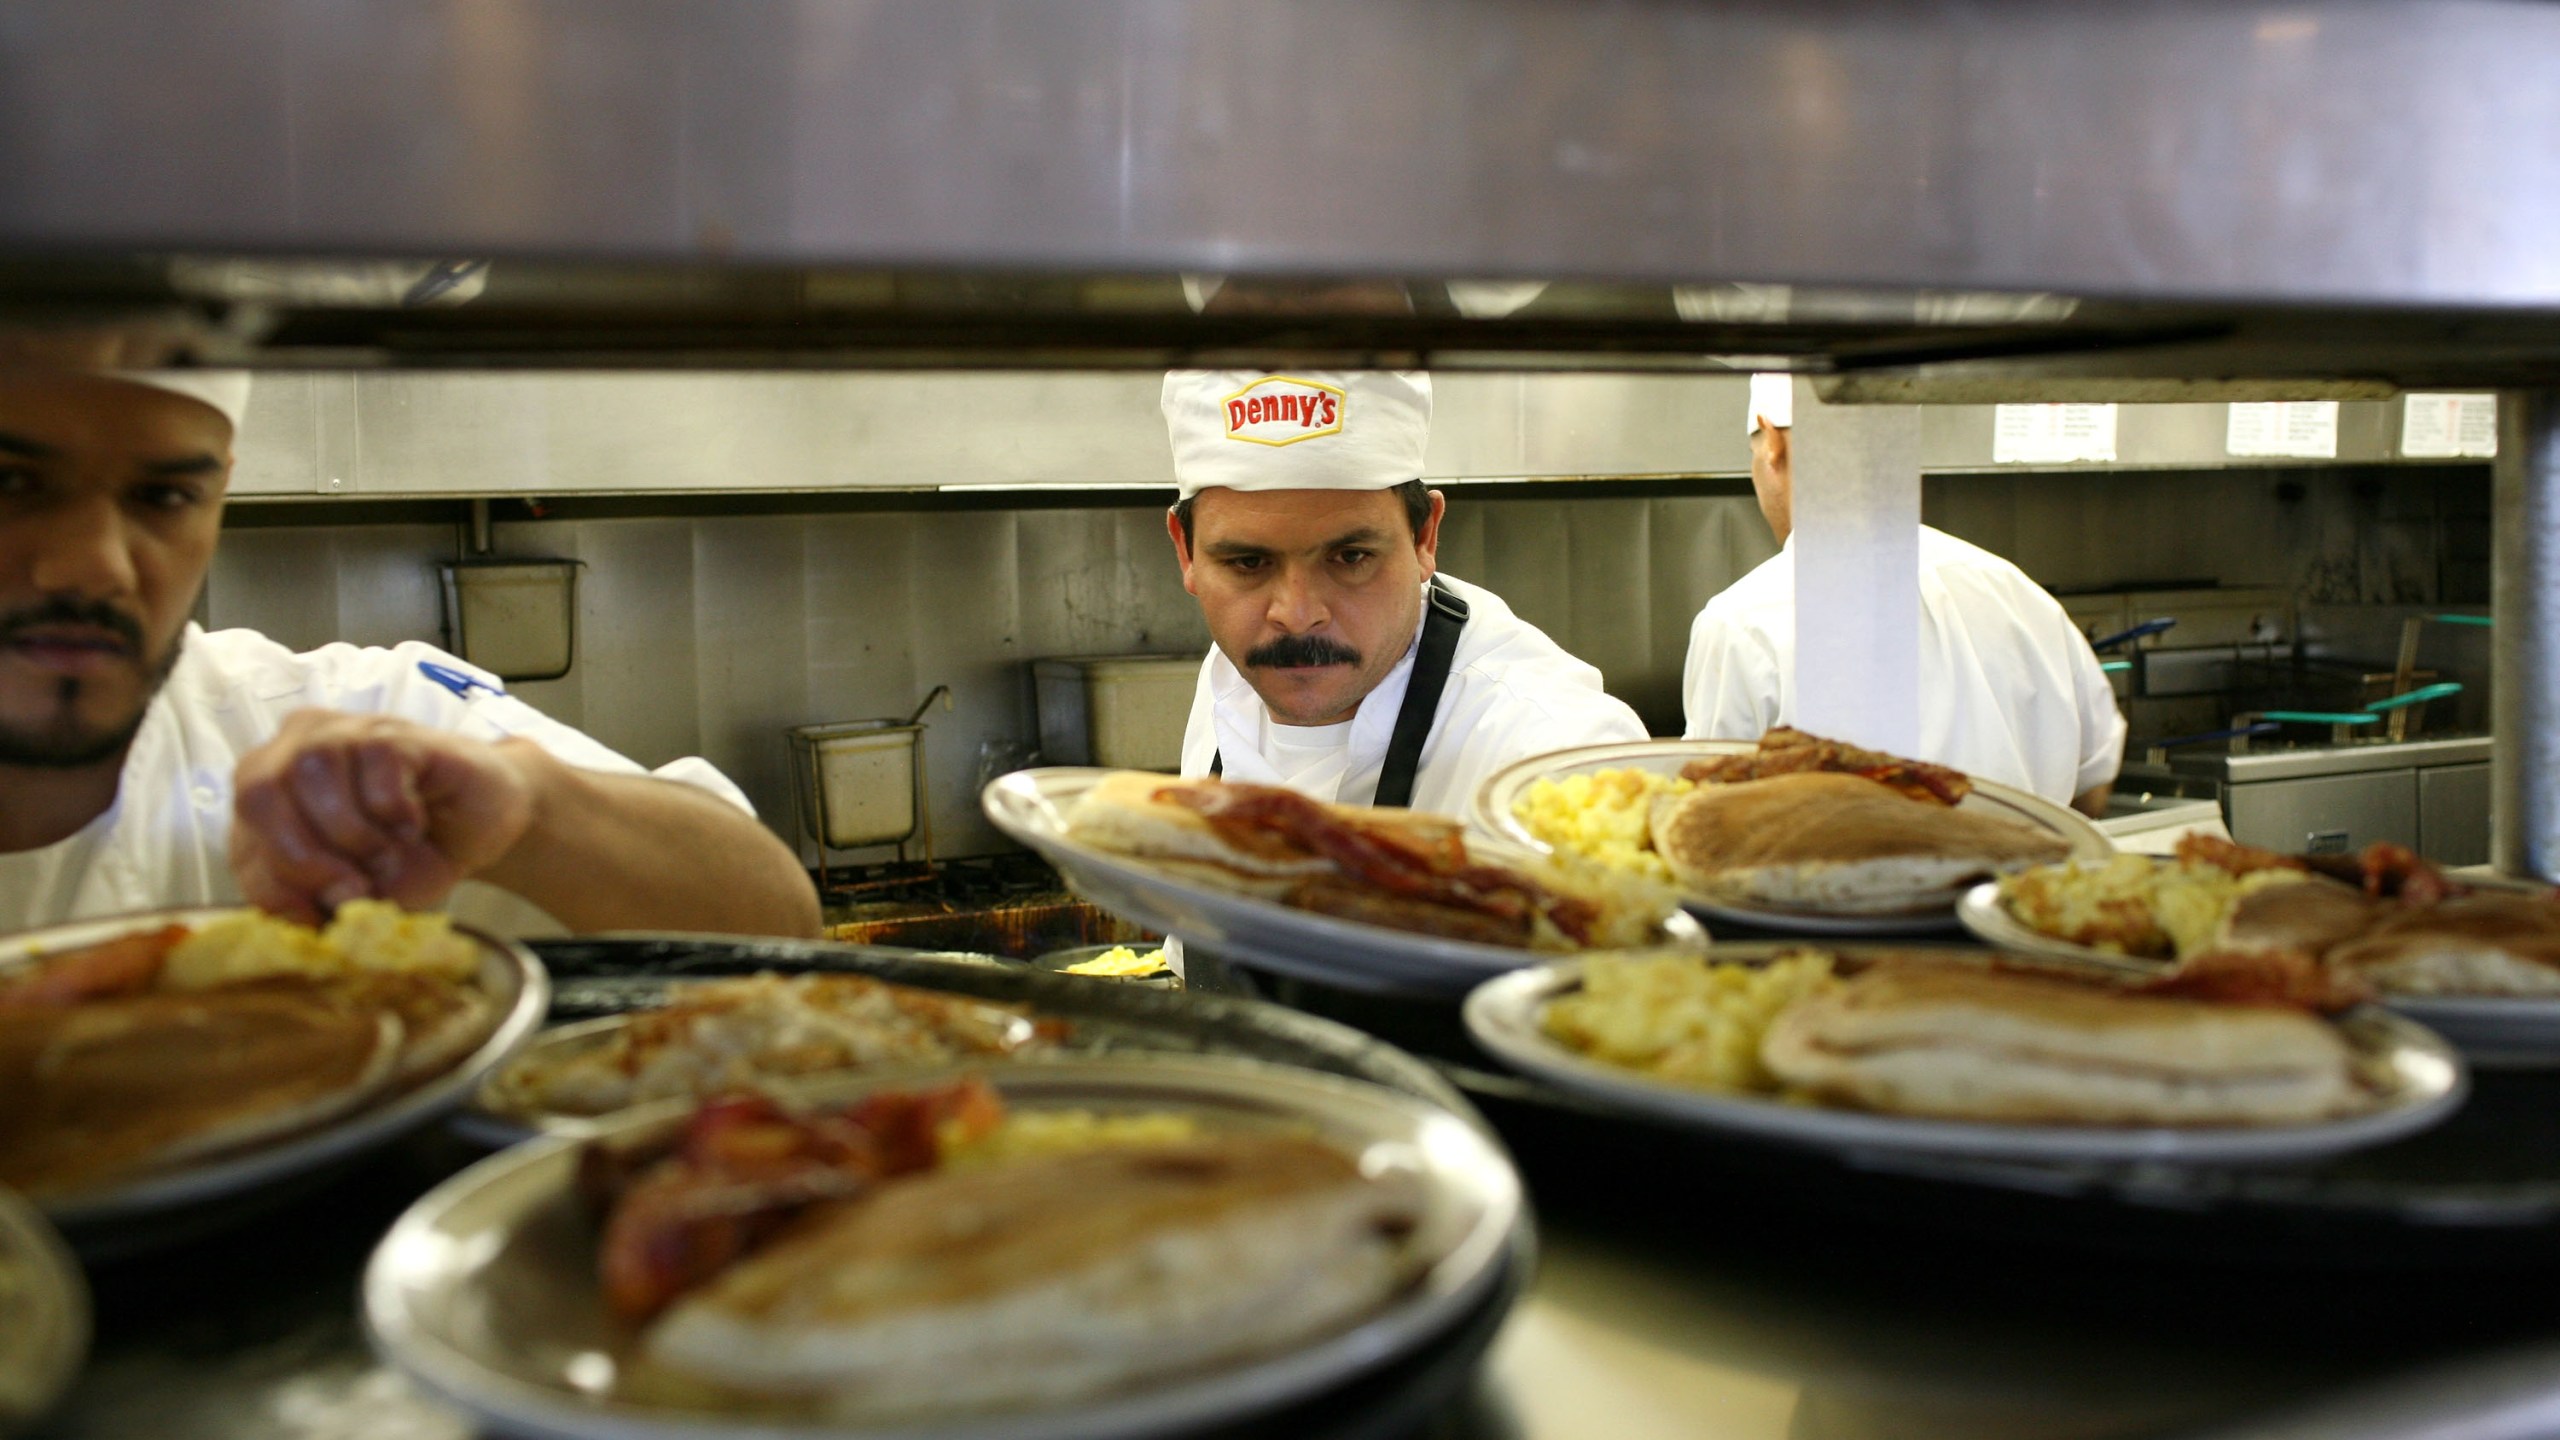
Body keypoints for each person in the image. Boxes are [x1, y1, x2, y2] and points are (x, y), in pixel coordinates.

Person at [0, 366, 820, 936]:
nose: (96, 564)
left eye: (166, 495)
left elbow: (775, 921)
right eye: (13, 482)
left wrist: (532, 811)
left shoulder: (346, 730)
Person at [1162, 369, 1646, 815]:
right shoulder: (1231, 675)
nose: (1297, 614)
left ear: (1423, 539)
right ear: (1187, 554)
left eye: (1350, 557)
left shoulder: (1559, 761)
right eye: (1248, 564)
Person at [1682, 374, 2126, 815]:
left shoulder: (1741, 623)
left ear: (1773, 443)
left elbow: (1713, 815)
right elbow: (2094, 783)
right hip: (2024, 881)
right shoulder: (2016, 591)